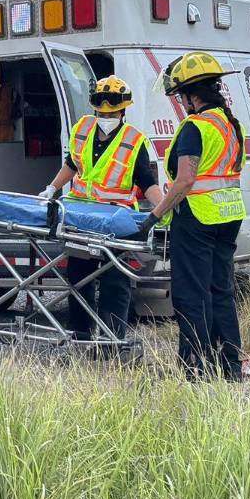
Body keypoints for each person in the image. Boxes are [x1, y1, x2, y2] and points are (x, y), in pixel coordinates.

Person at [135, 52, 246, 380]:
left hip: (197, 218)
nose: (181, 102)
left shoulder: (194, 128)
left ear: (191, 94)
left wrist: (154, 215)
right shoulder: (228, 124)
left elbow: (184, 180)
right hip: (228, 215)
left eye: (180, 95)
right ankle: (230, 366)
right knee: (220, 290)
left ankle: (195, 369)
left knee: (191, 294)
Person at [40, 76, 163, 344]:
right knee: (79, 278)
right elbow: (72, 164)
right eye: (101, 112)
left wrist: (163, 208)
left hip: (115, 221)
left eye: (111, 113)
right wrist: (52, 188)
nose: (105, 116)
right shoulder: (83, 129)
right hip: (80, 218)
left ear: (123, 111)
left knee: (114, 282)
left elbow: (147, 182)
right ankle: (80, 335)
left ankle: (110, 338)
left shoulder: (134, 141)